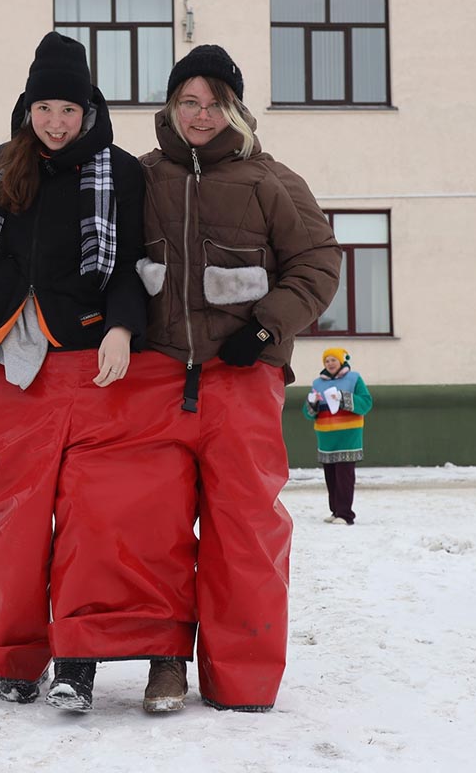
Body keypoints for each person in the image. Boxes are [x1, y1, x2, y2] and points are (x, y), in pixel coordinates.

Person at [0, 32, 156, 712]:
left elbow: (132, 264)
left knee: (92, 515)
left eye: (68, 109)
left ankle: (79, 659)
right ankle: (16, 655)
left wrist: (122, 327)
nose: (55, 123)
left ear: (88, 109)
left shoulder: (121, 172)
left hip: (91, 360)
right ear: (27, 107)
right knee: (14, 515)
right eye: (44, 109)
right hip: (15, 362)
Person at [134, 44, 342, 711]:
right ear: (171, 107)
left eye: (214, 103)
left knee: (246, 530)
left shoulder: (271, 180)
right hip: (157, 377)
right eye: (188, 102)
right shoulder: (140, 179)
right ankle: (165, 665)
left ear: (235, 109)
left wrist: (265, 329)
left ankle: (243, 677)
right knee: (155, 532)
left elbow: (317, 263)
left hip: (242, 378)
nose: (200, 115)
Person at [304, 347, 373, 525]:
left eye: (333, 360)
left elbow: (366, 403)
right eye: (327, 361)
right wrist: (312, 404)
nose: (330, 363)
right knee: (331, 476)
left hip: (348, 436)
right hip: (326, 437)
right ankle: (336, 511)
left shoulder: (354, 378)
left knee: (344, 477)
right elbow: (308, 414)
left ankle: (345, 514)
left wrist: (343, 397)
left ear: (341, 361)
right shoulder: (317, 383)